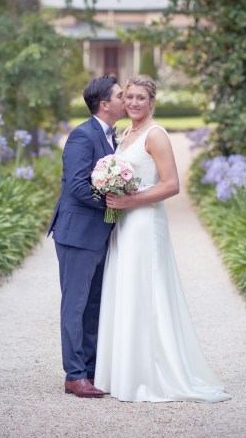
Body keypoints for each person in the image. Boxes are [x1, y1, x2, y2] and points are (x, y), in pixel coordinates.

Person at [94, 74, 230, 402]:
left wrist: (129, 201)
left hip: (144, 222)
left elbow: (171, 185)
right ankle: (124, 371)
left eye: (141, 98)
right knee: (127, 289)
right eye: (129, 96)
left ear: (152, 102)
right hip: (124, 224)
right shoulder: (126, 134)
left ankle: (150, 374)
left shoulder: (155, 135)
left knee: (145, 291)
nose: (133, 102)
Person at [48, 75, 127, 398]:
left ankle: (91, 370)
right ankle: (74, 375)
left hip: (99, 234)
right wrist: (112, 202)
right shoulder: (82, 135)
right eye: (120, 96)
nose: (126, 100)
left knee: (94, 306)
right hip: (77, 234)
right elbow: (77, 185)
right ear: (104, 104)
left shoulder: (112, 137)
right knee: (76, 305)